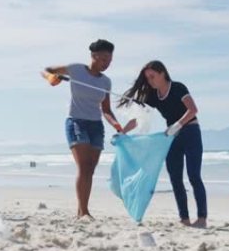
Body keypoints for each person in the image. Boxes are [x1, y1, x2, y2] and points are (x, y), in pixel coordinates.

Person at [42, 39, 134, 220]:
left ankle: (81, 211)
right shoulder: (76, 69)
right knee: (84, 167)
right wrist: (52, 78)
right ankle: (83, 211)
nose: (106, 63)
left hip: (96, 126)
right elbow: (47, 69)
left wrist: (117, 125)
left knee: (90, 169)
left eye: (110, 60)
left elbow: (106, 110)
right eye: (104, 59)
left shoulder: (106, 82)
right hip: (76, 122)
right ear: (94, 55)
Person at [118, 60, 207, 228]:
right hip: (171, 138)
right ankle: (184, 219)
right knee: (175, 178)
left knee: (194, 176)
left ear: (162, 73)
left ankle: (202, 218)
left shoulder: (178, 88)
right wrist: (122, 132)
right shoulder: (153, 96)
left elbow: (193, 110)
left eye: (153, 76)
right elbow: (138, 119)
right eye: (148, 78)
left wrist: (178, 125)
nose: (150, 81)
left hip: (190, 133)